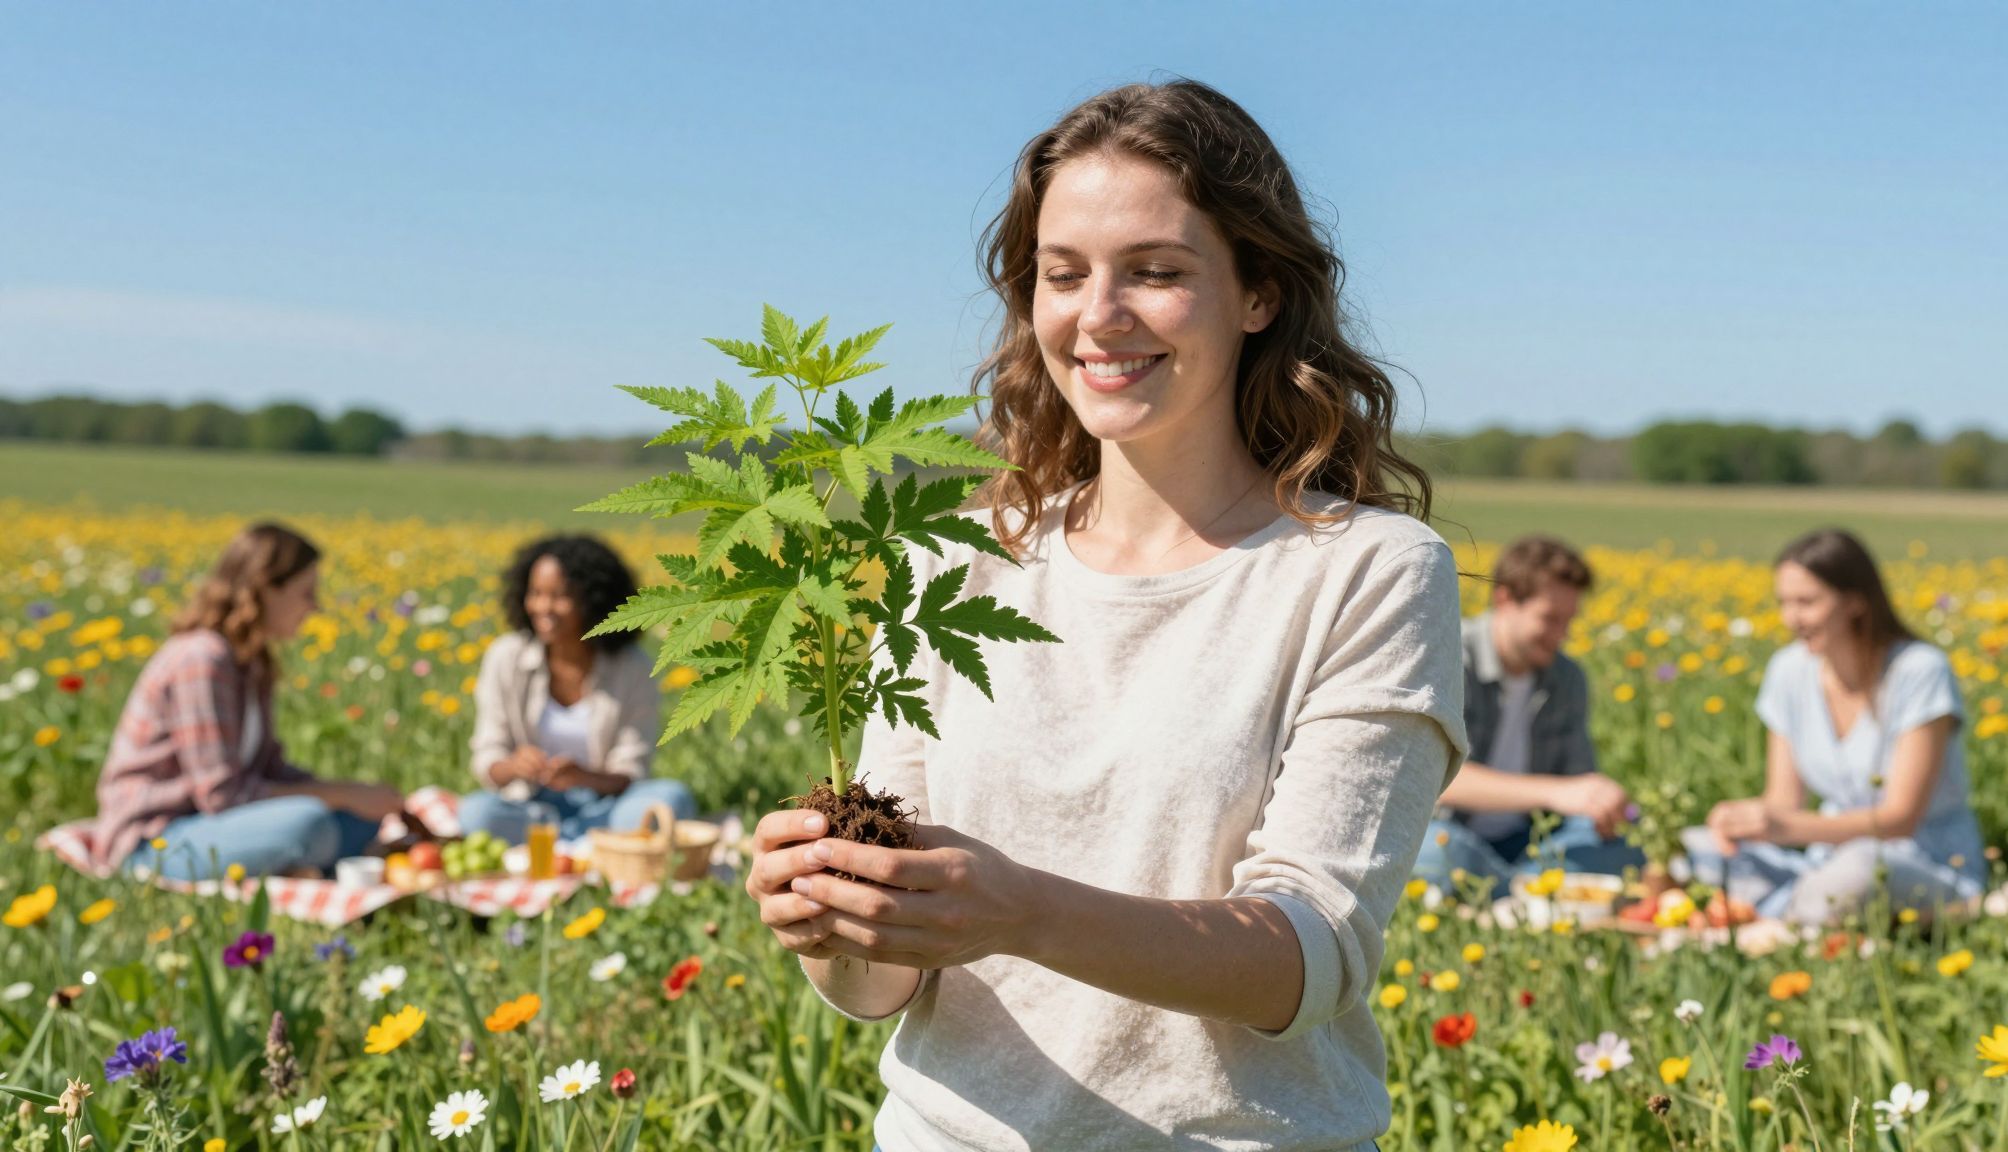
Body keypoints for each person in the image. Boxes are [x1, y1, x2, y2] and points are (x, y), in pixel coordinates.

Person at [743, 81, 1467, 1151]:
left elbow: (1308, 957)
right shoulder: (948, 559)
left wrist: (1024, 911)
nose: (1099, 315)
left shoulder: (1364, 572)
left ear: (1258, 292)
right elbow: (881, 987)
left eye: (1156, 272)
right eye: (1063, 274)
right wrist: (829, 919)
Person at [1682, 528, 1985, 925]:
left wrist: (1786, 827)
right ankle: (1795, 915)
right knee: (1693, 848)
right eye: (1784, 603)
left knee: (1856, 874)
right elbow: (1783, 801)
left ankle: (1778, 919)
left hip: (1919, 858)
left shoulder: (1919, 671)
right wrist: (1744, 820)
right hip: (1822, 858)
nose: (1791, 619)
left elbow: (1900, 819)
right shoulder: (1788, 670)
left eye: (1807, 602)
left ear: (1856, 603)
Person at [93, 523, 405, 881]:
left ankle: (296, 862)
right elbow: (221, 796)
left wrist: (359, 796)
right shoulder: (201, 659)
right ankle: (298, 860)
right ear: (266, 588)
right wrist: (338, 794)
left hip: (218, 826)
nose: (314, 607)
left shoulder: (250, 662)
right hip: (158, 839)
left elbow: (267, 769)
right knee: (309, 823)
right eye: (306, 592)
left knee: (362, 820)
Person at [1411, 536, 1642, 894]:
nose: (1560, 635)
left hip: (1528, 841)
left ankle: (1504, 891)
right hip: (1449, 833)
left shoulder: (1567, 678)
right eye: (1549, 619)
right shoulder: (1451, 658)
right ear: (1504, 599)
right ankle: (1531, 891)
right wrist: (1553, 793)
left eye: (1568, 621)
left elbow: (1577, 785)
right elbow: (1432, 781)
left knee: (1628, 848)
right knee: (1435, 855)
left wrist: (1602, 807)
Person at [458, 535, 694, 842]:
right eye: (536, 593)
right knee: (476, 814)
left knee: (671, 799)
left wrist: (583, 778)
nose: (544, 607)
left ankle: (577, 841)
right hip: (529, 807)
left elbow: (632, 768)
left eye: (560, 596)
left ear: (595, 600)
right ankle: (591, 844)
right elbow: (487, 760)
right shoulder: (506, 657)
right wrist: (514, 766)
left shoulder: (633, 667)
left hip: (608, 807)